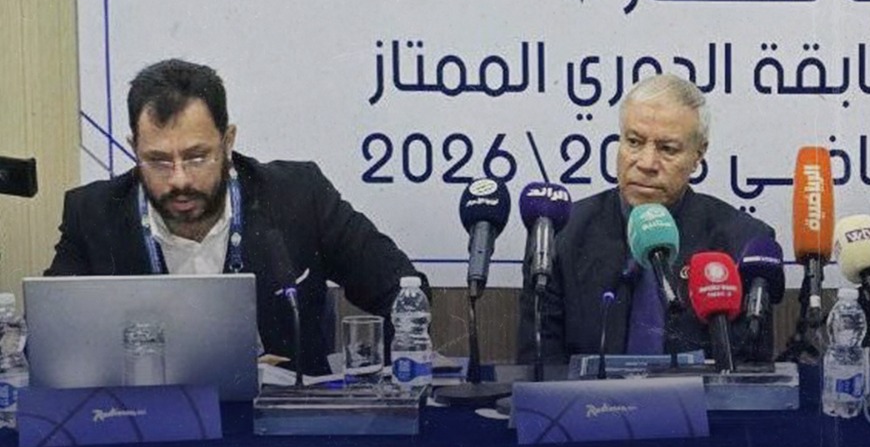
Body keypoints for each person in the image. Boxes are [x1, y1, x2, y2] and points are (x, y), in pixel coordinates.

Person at [46, 59, 425, 374]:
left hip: (283, 429)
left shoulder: (297, 196)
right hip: (146, 426)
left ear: (227, 142)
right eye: (158, 160)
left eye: (197, 157)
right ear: (134, 149)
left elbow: (402, 290)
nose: (179, 180)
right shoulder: (92, 214)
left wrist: (368, 381)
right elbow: (51, 338)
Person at [519, 72, 777, 364]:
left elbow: (750, 375)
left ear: (698, 154)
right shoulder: (562, 233)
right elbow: (538, 368)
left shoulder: (741, 242)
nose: (646, 163)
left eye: (667, 149)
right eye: (634, 142)